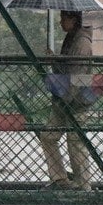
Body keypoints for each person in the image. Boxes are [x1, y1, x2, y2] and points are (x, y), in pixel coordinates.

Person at [40, 10, 93, 190]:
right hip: (64, 97)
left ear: (73, 19)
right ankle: (60, 179)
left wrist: (67, 100)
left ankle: (83, 184)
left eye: (63, 19)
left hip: (75, 100)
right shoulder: (71, 38)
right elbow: (66, 69)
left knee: (75, 142)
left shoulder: (82, 43)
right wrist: (54, 59)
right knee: (48, 136)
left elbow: (78, 74)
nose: (60, 22)